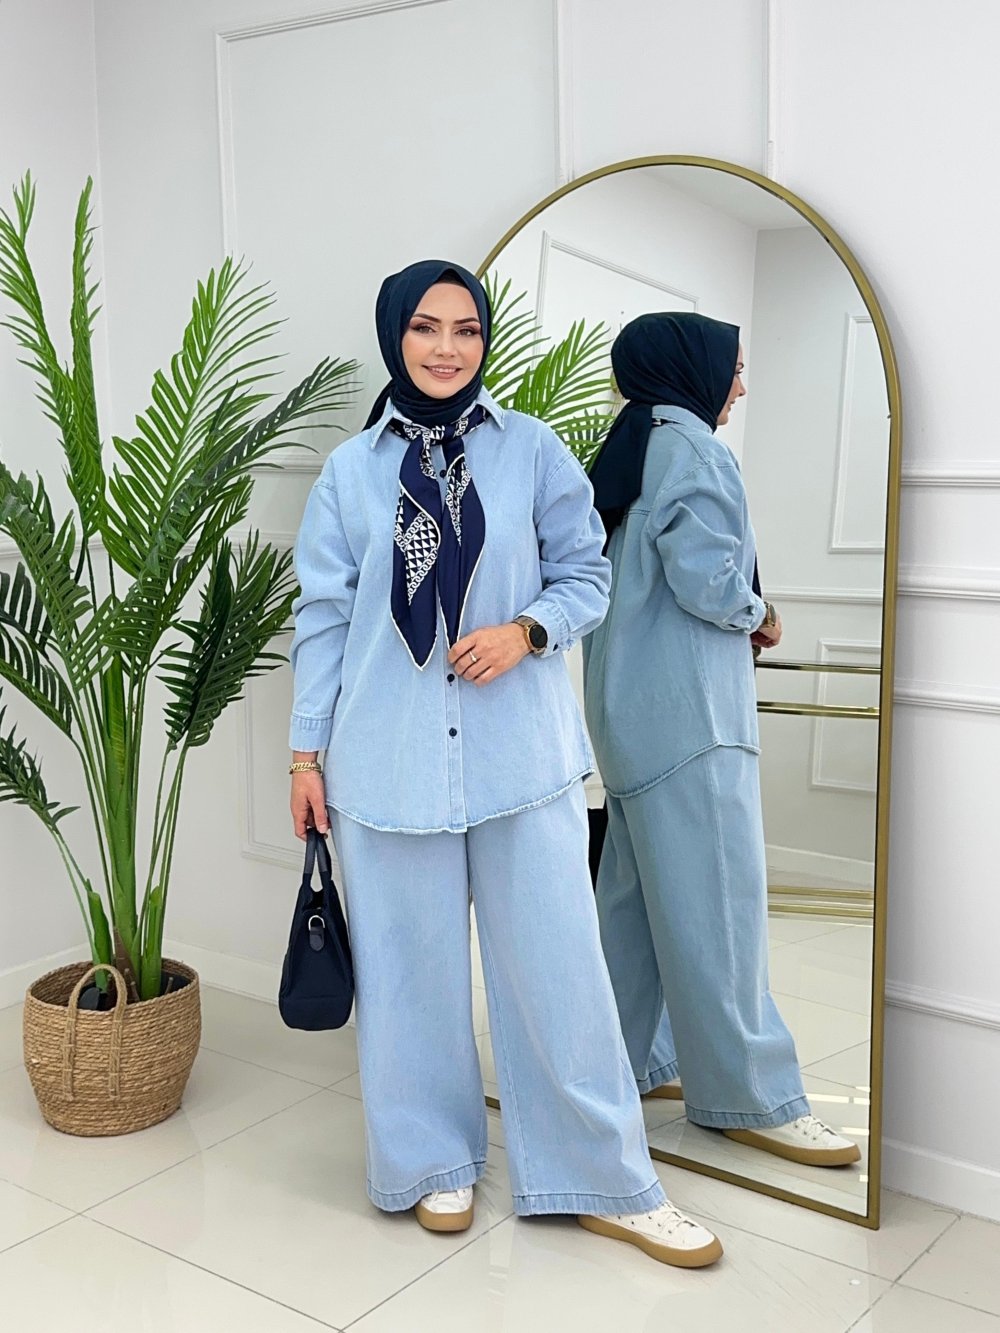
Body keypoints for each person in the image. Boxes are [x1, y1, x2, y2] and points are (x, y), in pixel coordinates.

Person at [287, 262, 723, 1267]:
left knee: (560, 974)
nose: (447, 347)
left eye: (466, 329)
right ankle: (431, 1160)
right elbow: (322, 619)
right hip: (386, 762)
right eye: (426, 327)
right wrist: (306, 754)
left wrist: (526, 631)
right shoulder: (350, 474)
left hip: (520, 759)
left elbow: (587, 572)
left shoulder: (530, 449)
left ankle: (605, 1177)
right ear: (395, 335)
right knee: (408, 978)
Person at [584, 312, 861, 1168]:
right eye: (734, 367)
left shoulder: (631, 447)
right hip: (693, 720)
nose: (740, 384)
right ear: (691, 367)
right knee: (723, 908)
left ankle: (621, 1065)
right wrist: (761, 613)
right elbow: (709, 582)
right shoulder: (695, 451)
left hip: (627, 718)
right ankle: (751, 1095)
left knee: (631, 912)